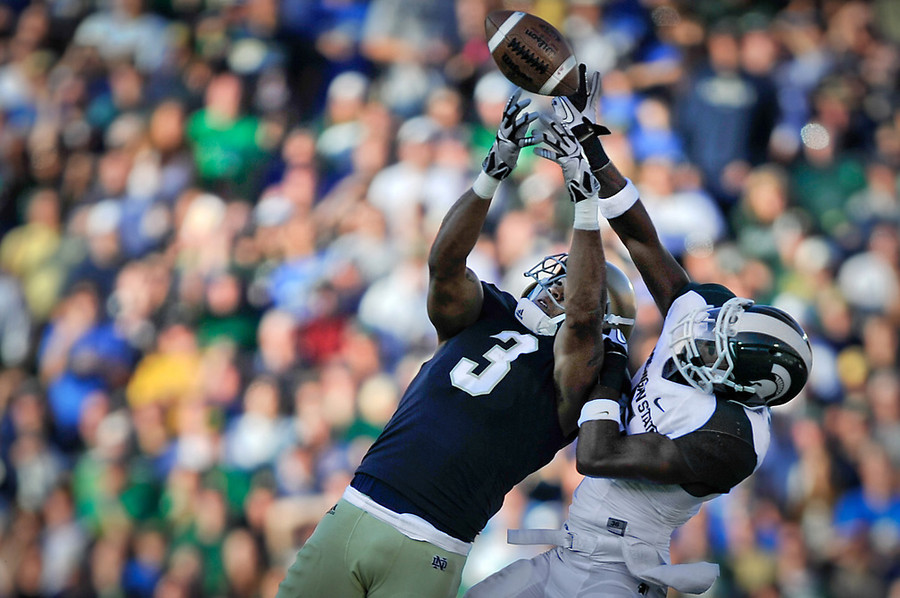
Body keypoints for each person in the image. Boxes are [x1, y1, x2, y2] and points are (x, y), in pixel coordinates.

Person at [466, 66, 813, 598]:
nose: (700, 340)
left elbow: (597, 454)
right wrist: (590, 152)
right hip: (574, 541)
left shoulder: (731, 440)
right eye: (718, 330)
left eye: (718, 354)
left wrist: (612, 352)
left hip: (619, 569)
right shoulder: (704, 308)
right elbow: (642, 240)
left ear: (742, 391)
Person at [275, 89, 637, 598]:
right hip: (354, 509)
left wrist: (583, 206)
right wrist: (493, 170)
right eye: (562, 277)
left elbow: (579, 324)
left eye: (578, 285)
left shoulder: (577, 375)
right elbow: (444, 262)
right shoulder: (489, 308)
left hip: (432, 547)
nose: (561, 285)